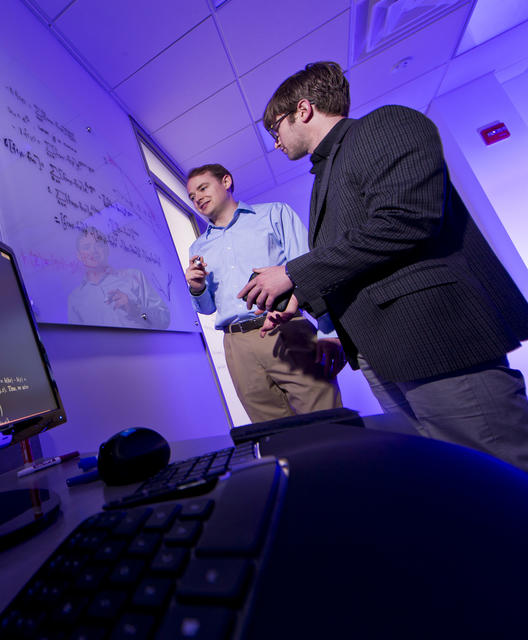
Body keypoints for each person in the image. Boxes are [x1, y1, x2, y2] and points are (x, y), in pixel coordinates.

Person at [239, 61, 528, 470]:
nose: (275, 143)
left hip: (437, 341)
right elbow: (360, 255)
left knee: (502, 473)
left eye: (276, 129)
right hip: (385, 353)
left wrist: (292, 272)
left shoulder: (384, 125)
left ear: (303, 110)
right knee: (452, 481)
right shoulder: (326, 173)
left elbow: (406, 218)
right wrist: (301, 296)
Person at [185, 163, 344, 423]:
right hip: (237, 347)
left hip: (287, 329)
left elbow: (311, 271)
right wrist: (197, 288)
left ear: (226, 182)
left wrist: (328, 330)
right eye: (192, 196)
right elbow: (206, 308)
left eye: (203, 188)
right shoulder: (198, 246)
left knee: (327, 421)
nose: (197, 198)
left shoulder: (275, 214)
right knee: (272, 435)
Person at [67, 227, 170, 329]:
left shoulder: (134, 277)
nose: (93, 251)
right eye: (86, 247)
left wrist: (136, 310)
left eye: (98, 244)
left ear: (106, 249)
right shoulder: (75, 299)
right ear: (79, 256)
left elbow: (164, 321)